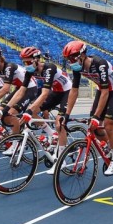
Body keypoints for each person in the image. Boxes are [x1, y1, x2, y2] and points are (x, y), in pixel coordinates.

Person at [62, 40, 113, 175]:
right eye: (68, 59)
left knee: (108, 125)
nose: (71, 62)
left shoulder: (99, 64)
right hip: (101, 89)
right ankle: (110, 145)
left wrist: (97, 116)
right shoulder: (77, 67)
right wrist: (66, 114)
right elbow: (74, 90)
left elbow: (106, 91)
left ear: (83, 55)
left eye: (73, 58)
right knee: (93, 127)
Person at [0, 46, 39, 154]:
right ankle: (16, 130)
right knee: (0, 112)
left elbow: (5, 89)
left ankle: (16, 145)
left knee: (10, 113)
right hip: (20, 88)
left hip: (30, 89)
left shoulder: (9, 67)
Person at [19, 46, 71, 174]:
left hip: (66, 92)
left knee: (60, 123)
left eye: (29, 61)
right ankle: (51, 133)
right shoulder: (30, 71)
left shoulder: (49, 68)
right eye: (24, 62)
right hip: (56, 92)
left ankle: (61, 160)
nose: (26, 65)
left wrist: (30, 110)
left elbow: (45, 93)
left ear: (37, 59)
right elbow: (21, 91)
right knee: (33, 110)